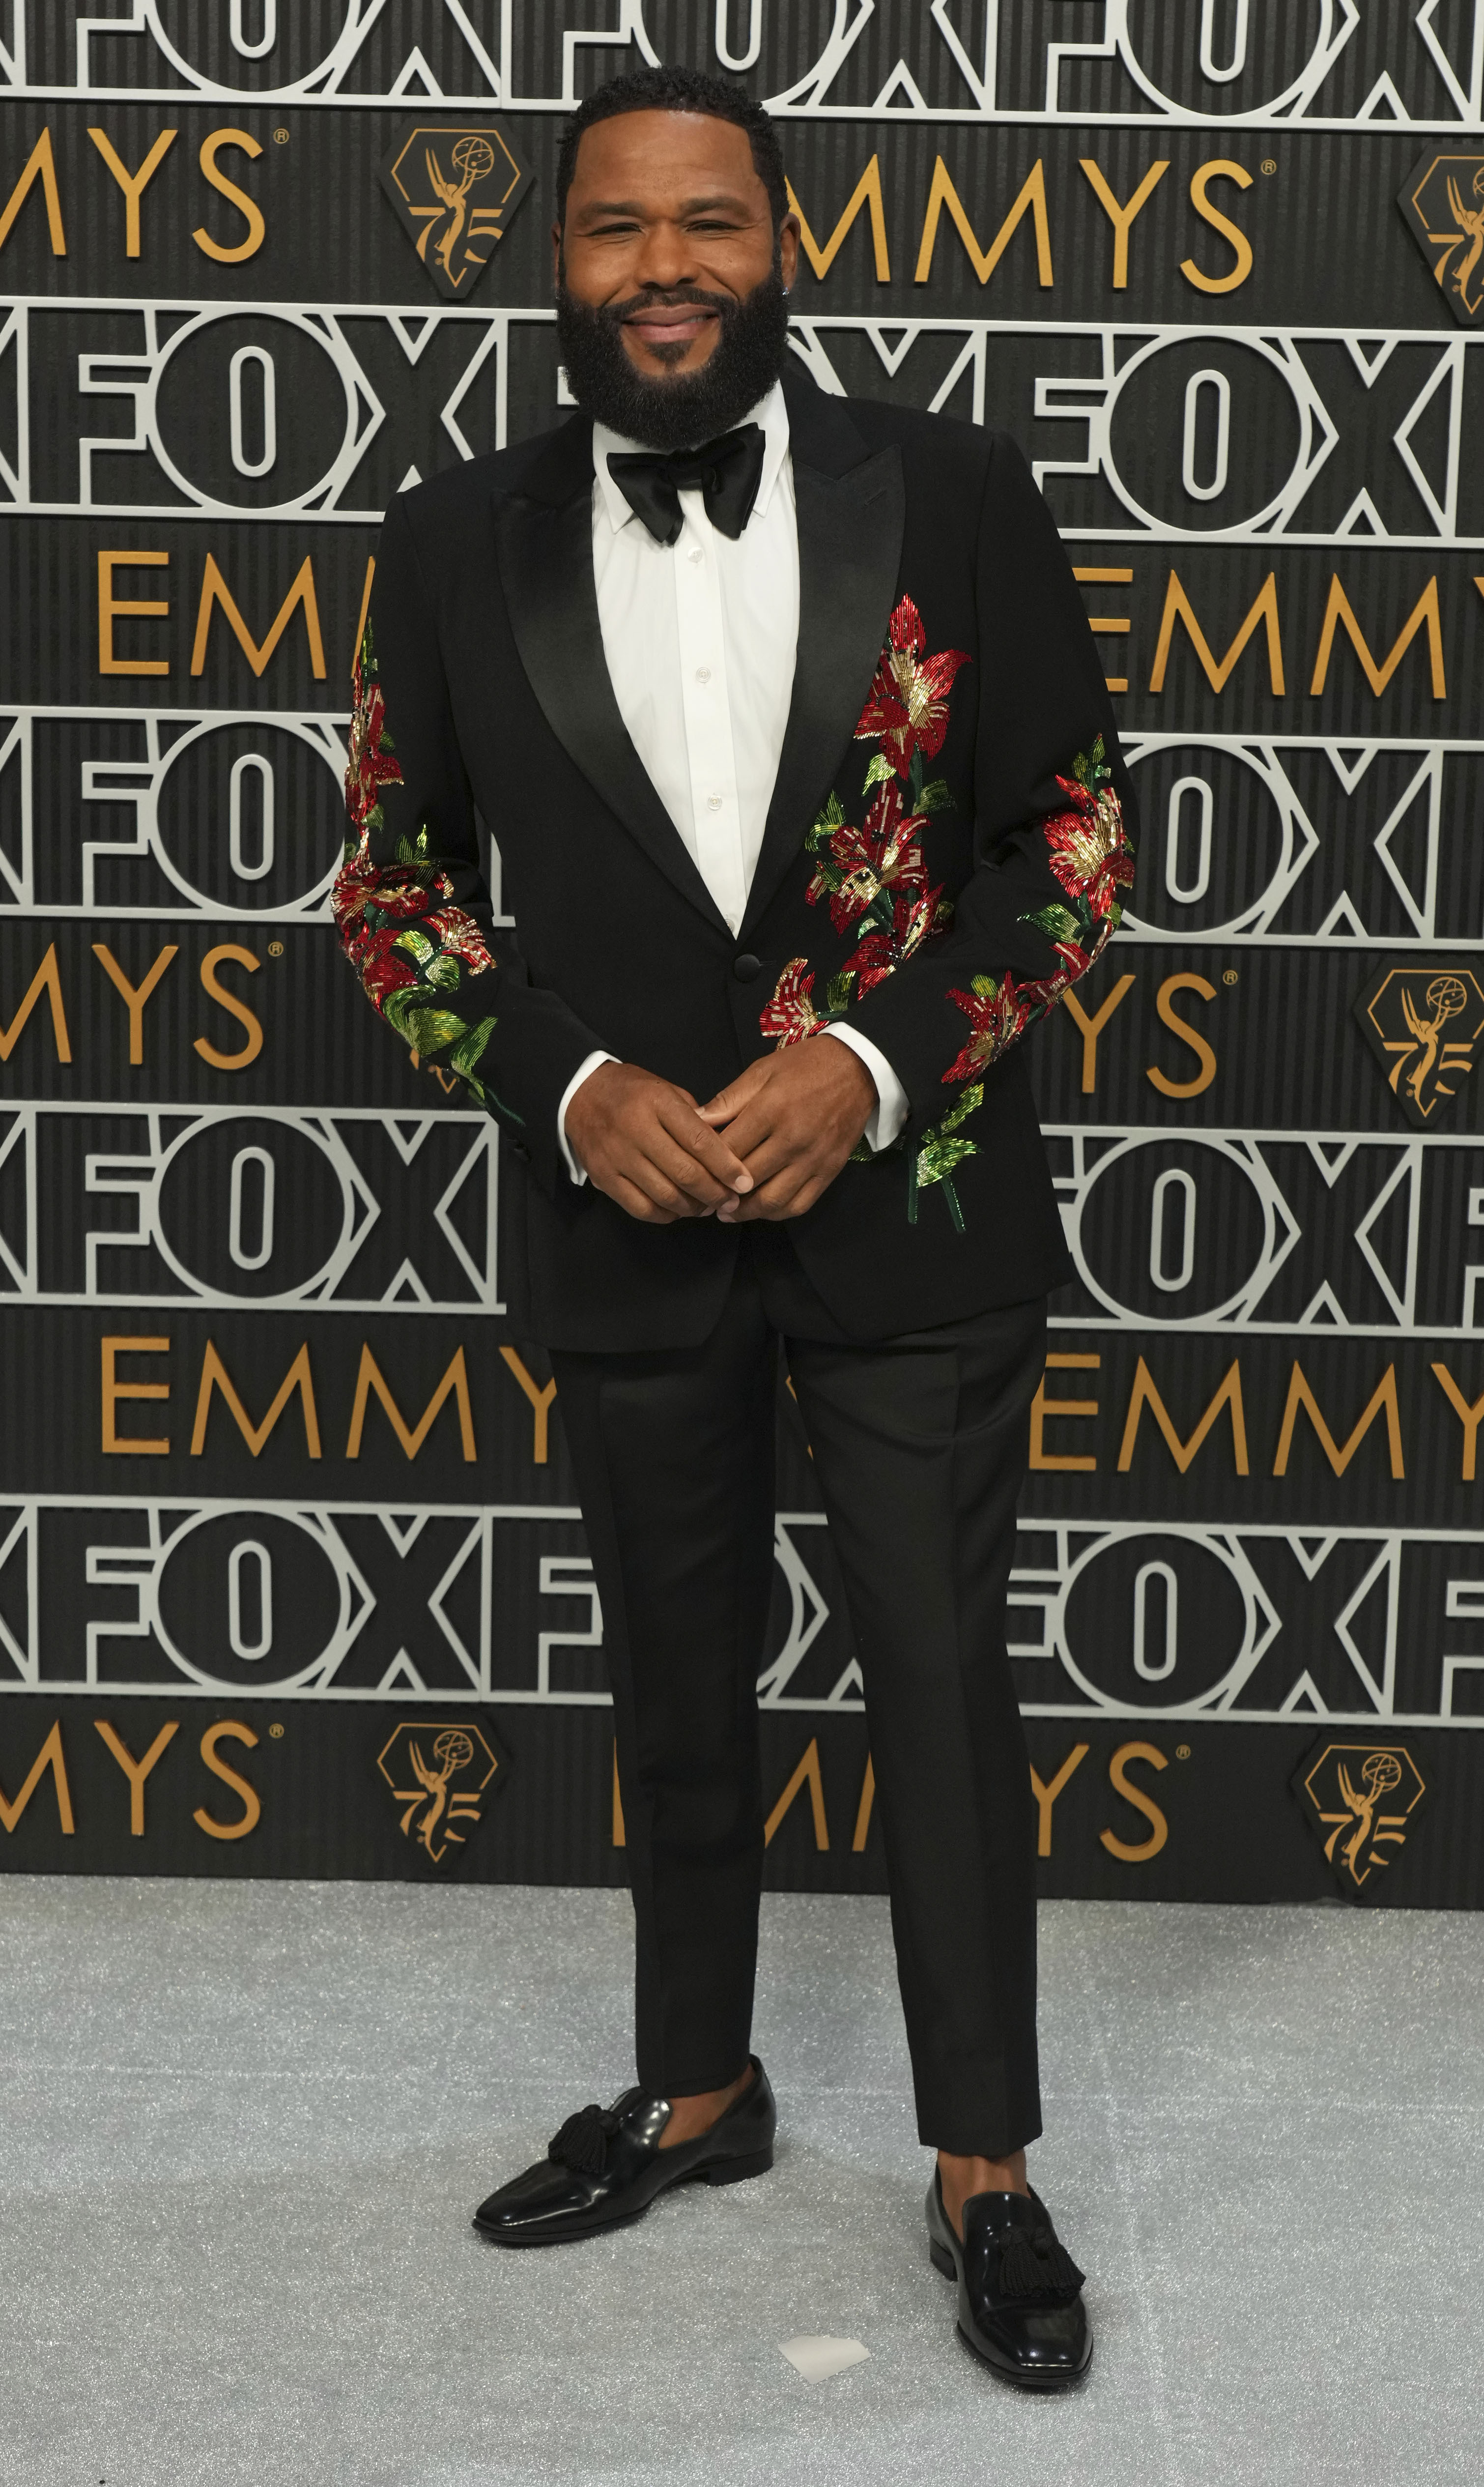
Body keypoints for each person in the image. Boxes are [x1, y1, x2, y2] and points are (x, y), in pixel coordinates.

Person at [335, 63, 1134, 2391]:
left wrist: (865, 1066)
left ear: (779, 242)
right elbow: (394, 888)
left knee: (939, 1682)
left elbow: (1064, 840)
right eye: (614, 229)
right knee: (674, 1683)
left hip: (912, 1214)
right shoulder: (450, 531)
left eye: (706, 223)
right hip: (626, 1223)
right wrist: (571, 1086)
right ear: (552, 258)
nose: (661, 266)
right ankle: (701, 2081)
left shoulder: (956, 498)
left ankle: (980, 2156)